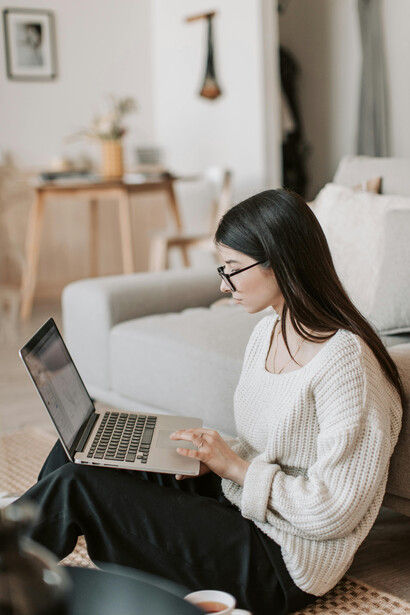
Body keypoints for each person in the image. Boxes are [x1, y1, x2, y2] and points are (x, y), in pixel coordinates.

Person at [12, 189, 403, 615]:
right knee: (80, 453)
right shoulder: (267, 333)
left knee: (77, 488)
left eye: (233, 269)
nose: (223, 284)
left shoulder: (348, 364)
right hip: (244, 504)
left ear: (282, 262)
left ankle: (9, 555)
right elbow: (271, 450)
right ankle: (20, 538)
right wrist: (217, 456)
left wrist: (234, 467)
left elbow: (335, 511)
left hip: (282, 560)